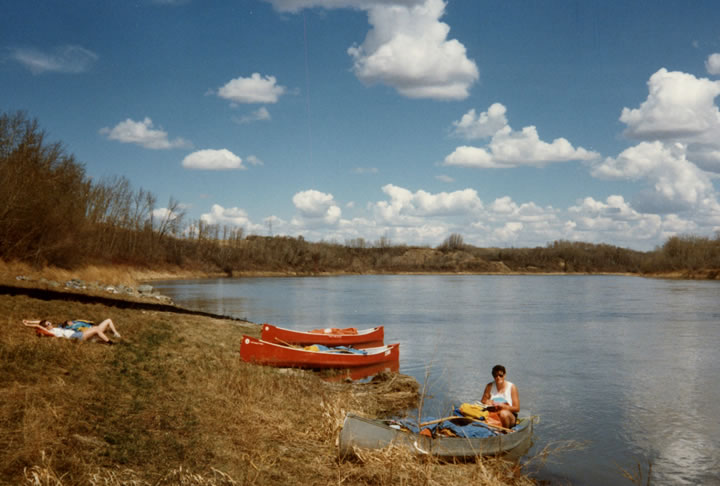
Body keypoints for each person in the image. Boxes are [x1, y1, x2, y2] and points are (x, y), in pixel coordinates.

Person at [22, 318, 122, 344]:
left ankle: (104, 340)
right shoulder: (52, 332)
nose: (50, 324)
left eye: (50, 322)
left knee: (96, 331)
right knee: (96, 329)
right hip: (75, 336)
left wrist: (29, 320)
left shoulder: (55, 328)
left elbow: (40, 321)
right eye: (48, 324)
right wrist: (28, 325)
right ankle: (110, 343)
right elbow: (39, 325)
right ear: (46, 327)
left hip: (77, 334)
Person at [480, 364, 520, 428]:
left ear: (504, 375)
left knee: (503, 413)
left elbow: (517, 408)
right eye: (495, 376)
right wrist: (488, 402)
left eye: (500, 375)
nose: (498, 377)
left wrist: (503, 406)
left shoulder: (512, 387)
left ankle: (504, 433)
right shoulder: (489, 386)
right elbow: (483, 402)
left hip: (509, 416)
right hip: (494, 414)